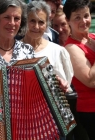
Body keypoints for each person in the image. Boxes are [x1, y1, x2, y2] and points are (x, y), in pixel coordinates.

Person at [63, 0, 95, 140]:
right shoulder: (71, 48)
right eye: (77, 17)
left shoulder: (93, 38)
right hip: (91, 110)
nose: (84, 21)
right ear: (67, 20)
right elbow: (90, 81)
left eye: (86, 15)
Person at [23, 0, 73, 87]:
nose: (36, 26)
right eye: (32, 21)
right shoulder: (12, 50)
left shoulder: (58, 52)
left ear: (47, 25)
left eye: (41, 22)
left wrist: (63, 86)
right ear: (25, 22)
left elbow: (67, 86)